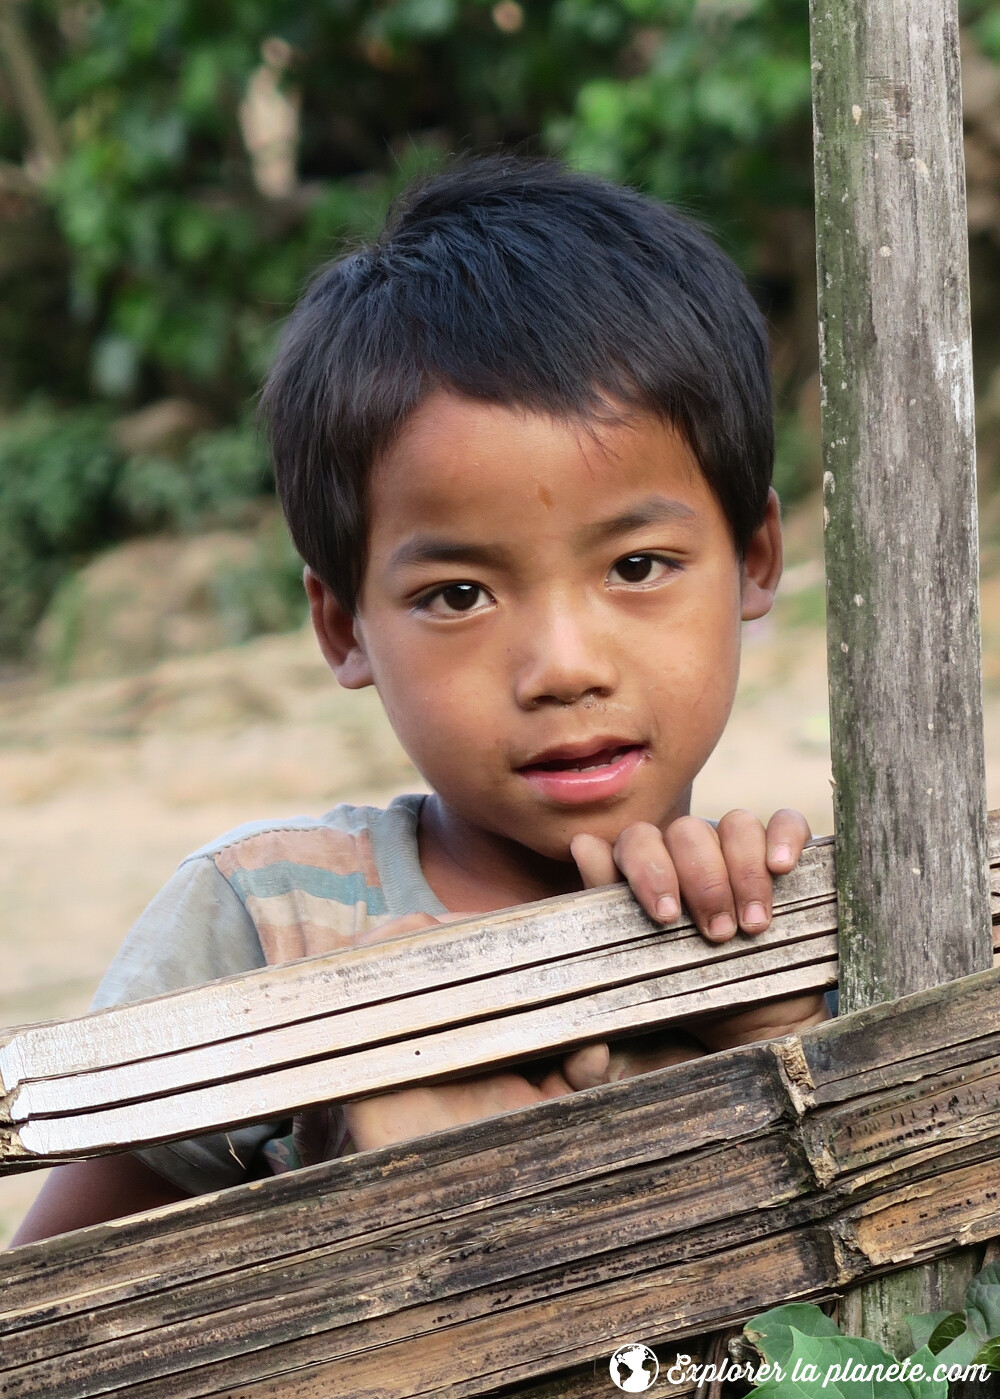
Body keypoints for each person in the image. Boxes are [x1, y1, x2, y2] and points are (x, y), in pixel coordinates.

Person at [10, 156, 828, 1247]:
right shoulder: (270, 928)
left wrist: (788, 1041)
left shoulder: (799, 928)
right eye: (458, 593)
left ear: (755, 558)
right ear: (344, 626)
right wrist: (348, 1160)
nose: (562, 666)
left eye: (635, 566)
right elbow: (54, 1320)